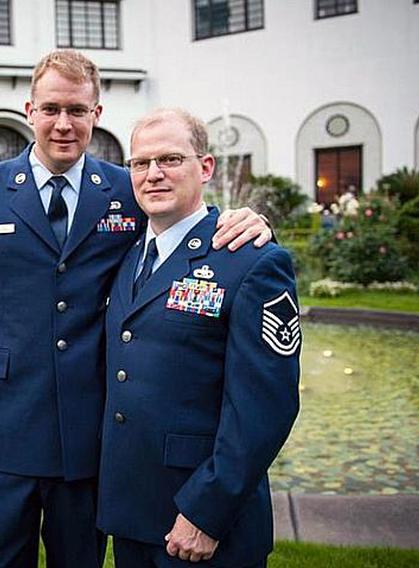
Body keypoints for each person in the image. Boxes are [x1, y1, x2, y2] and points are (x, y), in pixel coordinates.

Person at [0, 51, 273, 568]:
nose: (63, 124)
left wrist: (252, 222)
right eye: (51, 109)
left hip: (89, 436)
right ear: (30, 110)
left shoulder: (128, 187)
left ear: (97, 114)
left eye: (77, 109)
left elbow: (187, 230)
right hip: (3, 427)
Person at [96, 108, 300, 567]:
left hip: (206, 523)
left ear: (205, 168)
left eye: (170, 159)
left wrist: (207, 512)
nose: (153, 174)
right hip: (132, 514)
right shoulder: (128, 257)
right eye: (140, 163)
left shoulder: (250, 261)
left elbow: (265, 406)